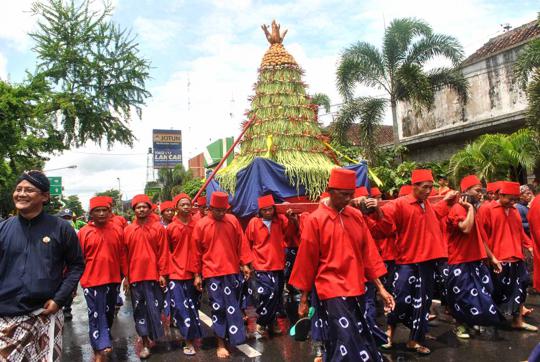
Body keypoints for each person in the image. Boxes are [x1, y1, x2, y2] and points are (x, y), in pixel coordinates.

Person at [289, 168, 395, 362]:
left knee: (356, 335)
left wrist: (381, 288)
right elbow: (307, 260)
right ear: (330, 190)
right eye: (344, 194)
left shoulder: (355, 216)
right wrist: (303, 298)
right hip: (331, 289)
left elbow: (368, 255)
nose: (348, 199)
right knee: (347, 338)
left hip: (357, 287)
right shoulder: (315, 220)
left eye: (351, 195)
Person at [0, 170, 84, 361]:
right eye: (18, 189)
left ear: (44, 196)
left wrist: (59, 299)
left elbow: (76, 265)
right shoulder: (3, 228)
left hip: (45, 314)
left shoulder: (61, 228)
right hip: (6, 317)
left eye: (28, 190)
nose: (21, 194)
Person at [383, 169, 458, 355]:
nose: (428, 191)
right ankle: (389, 333)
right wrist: (373, 210)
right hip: (406, 261)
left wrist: (447, 202)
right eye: (425, 187)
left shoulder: (426, 205)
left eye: (431, 187)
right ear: (413, 186)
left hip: (426, 263)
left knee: (422, 303)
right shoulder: (399, 203)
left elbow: (436, 215)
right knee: (399, 298)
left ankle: (414, 340)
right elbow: (383, 219)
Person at [191, 191, 253, 359]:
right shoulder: (201, 225)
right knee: (218, 309)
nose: (220, 213)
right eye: (217, 210)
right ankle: (220, 344)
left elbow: (241, 243)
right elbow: (196, 252)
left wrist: (245, 264)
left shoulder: (232, 221)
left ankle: (233, 339)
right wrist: (197, 275)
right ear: (210, 208)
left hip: (232, 271)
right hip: (212, 274)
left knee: (234, 308)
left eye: (223, 210)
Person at [445, 175, 504, 339]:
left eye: (481, 191)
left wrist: (492, 258)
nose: (481, 194)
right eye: (477, 191)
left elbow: (480, 237)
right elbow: (466, 228)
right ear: (465, 191)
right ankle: (459, 325)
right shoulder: (458, 208)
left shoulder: (473, 209)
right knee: (462, 296)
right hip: (459, 261)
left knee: (484, 292)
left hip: (476, 260)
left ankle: (472, 322)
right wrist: (470, 209)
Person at [478, 181, 537, 332]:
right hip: (497, 258)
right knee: (495, 290)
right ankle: (486, 320)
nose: (513, 203)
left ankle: (517, 320)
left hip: (516, 256)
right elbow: (481, 236)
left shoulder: (514, 210)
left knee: (521, 288)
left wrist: (529, 245)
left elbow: (520, 232)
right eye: (510, 199)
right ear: (500, 195)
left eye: (515, 199)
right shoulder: (486, 209)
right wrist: (490, 257)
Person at [78, 196, 127, 361]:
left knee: (108, 314)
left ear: (109, 212)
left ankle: (103, 340)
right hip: (92, 282)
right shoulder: (84, 232)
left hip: (113, 281)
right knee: (96, 315)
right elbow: (77, 260)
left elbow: (122, 255)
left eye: (104, 210)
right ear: (91, 213)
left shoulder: (117, 230)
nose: (101, 213)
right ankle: (98, 350)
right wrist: (72, 285)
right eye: (97, 211)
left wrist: (126, 277)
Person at [124, 194, 170, 359]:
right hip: (136, 277)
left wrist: (163, 273)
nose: (141, 209)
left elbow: (163, 252)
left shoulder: (158, 228)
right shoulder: (128, 230)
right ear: (134, 210)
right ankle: (144, 342)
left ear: (150, 209)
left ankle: (151, 334)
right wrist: (127, 277)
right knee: (139, 311)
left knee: (156, 310)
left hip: (154, 276)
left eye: (144, 206)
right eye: (138, 207)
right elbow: (125, 255)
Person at [245, 194, 296, 337]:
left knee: (277, 295)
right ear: (260, 211)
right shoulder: (253, 223)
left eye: (270, 209)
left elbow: (290, 235)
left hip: (278, 264)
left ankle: (270, 322)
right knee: (267, 294)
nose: (268, 212)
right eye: (265, 210)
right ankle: (262, 322)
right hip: (261, 265)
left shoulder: (280, 221)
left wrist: (292, 220)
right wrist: (247, 264)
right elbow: (246, 243)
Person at [166, 193, 203, 355]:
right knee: (181, 309)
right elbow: (166, 251)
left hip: (195, 273)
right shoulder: (171, 228)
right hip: (176, 273)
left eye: (188, 204)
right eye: (183, 204)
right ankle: (187, 340)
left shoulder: (198, 225)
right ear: (176, 208)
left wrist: (198, 273)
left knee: (194, 307)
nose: (187, 207)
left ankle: (192, 338)